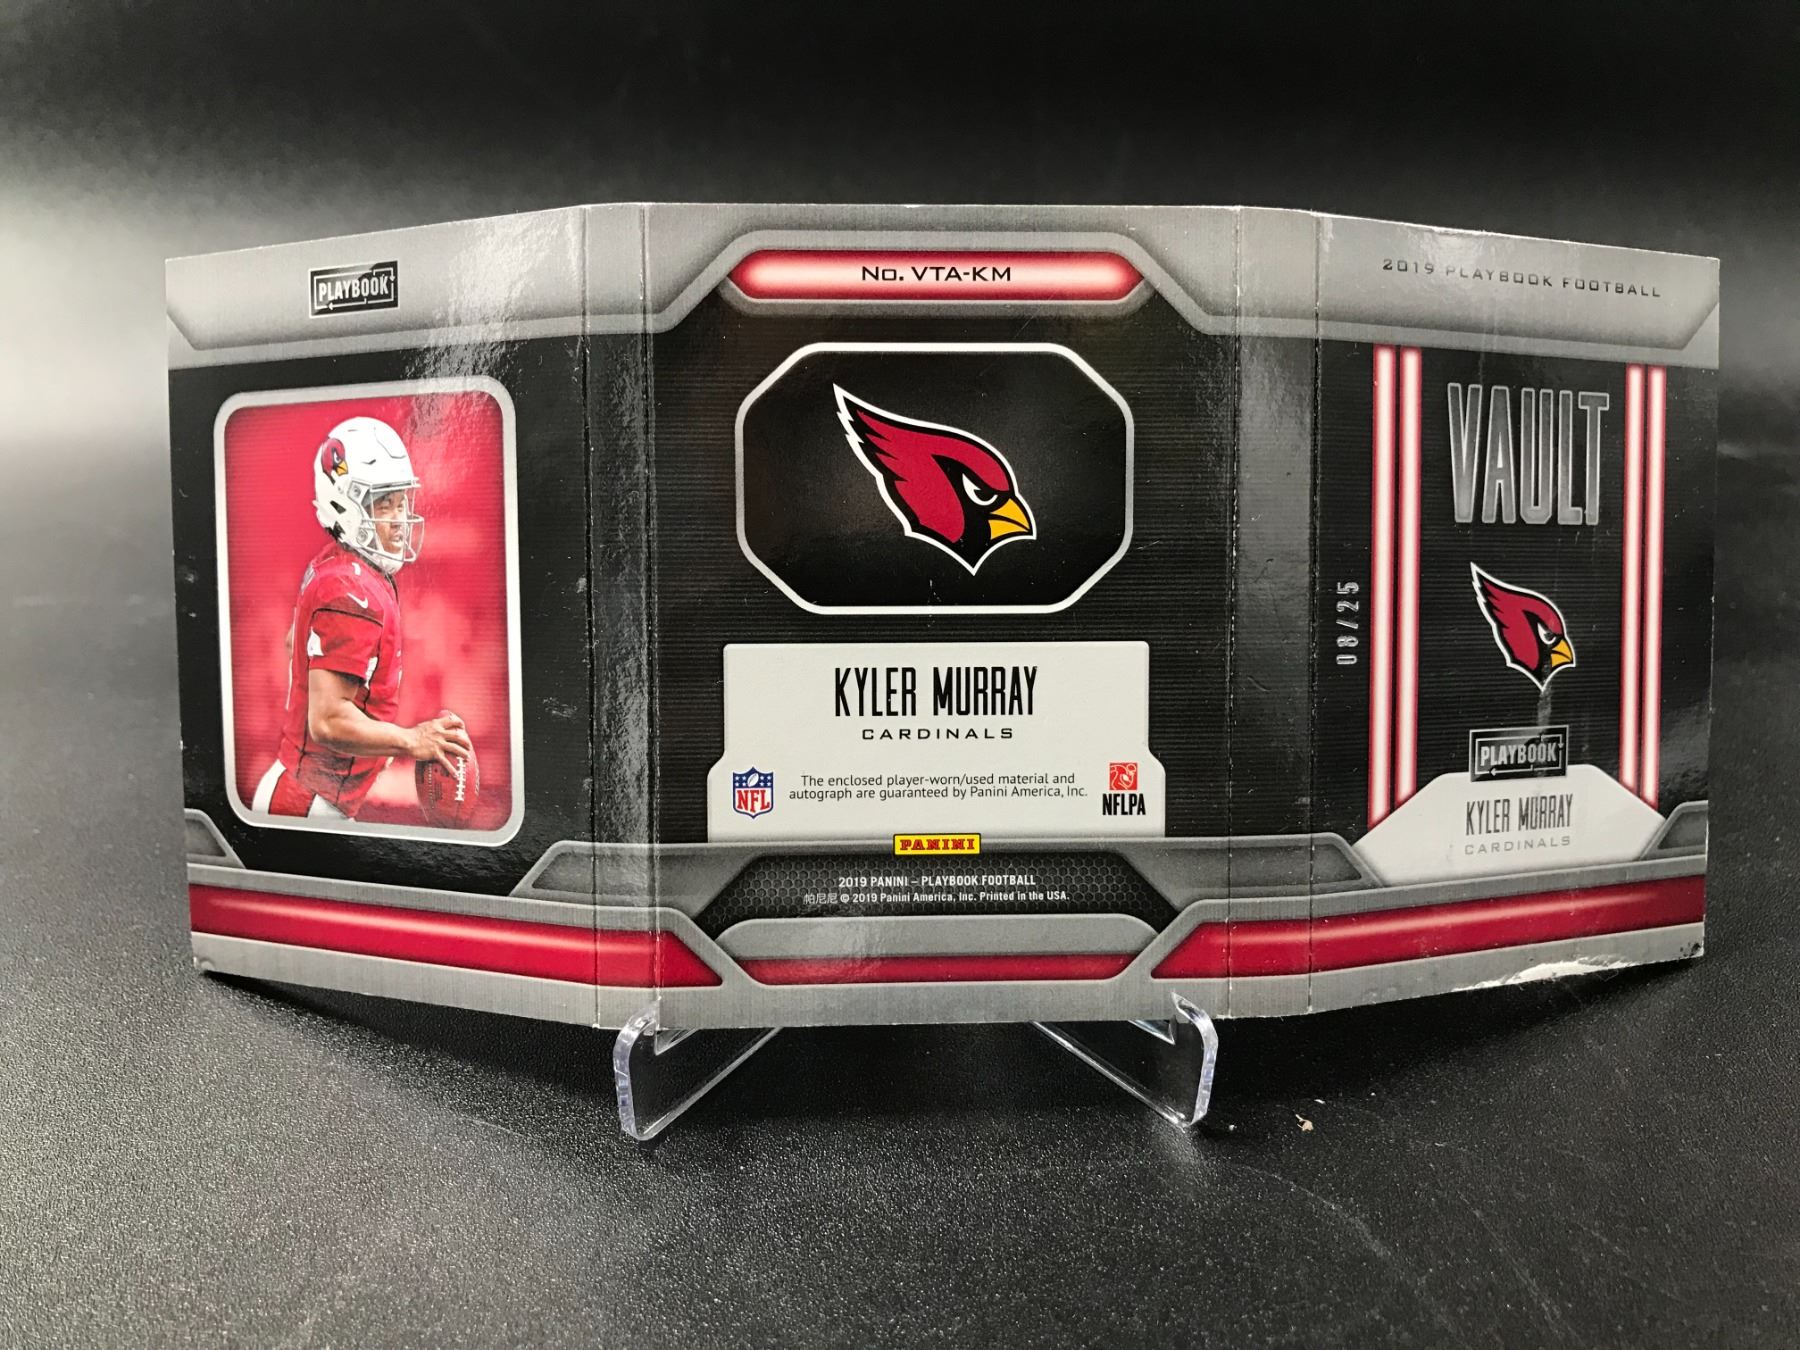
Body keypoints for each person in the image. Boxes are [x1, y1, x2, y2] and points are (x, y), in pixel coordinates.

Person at [251, 416, 470, 820]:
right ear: (344, 504)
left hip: (309, 793)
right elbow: (328, 721)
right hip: (309, 801)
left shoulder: (339, 565)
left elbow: (294, 641)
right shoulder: (350, 590)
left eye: (402, 501)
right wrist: (409, 740)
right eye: (383, 503)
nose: (400, 519)